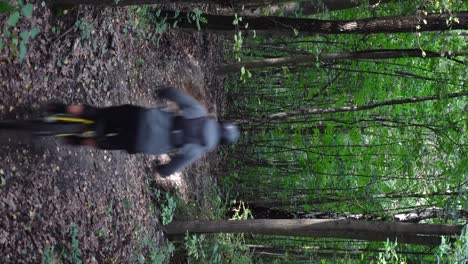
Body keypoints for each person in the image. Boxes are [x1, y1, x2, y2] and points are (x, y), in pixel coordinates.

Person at [47, 86, 240, 176]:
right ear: (220, 143)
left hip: (140, 117)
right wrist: (160, 169)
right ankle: (77, 141)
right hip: (140, 142)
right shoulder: (198, 149)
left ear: (220, 123)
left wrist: (160, 92)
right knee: (105, 143)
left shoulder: (200, 113)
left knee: (98, 114)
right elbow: (171, 169)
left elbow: (174, 94)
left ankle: (59, 109)